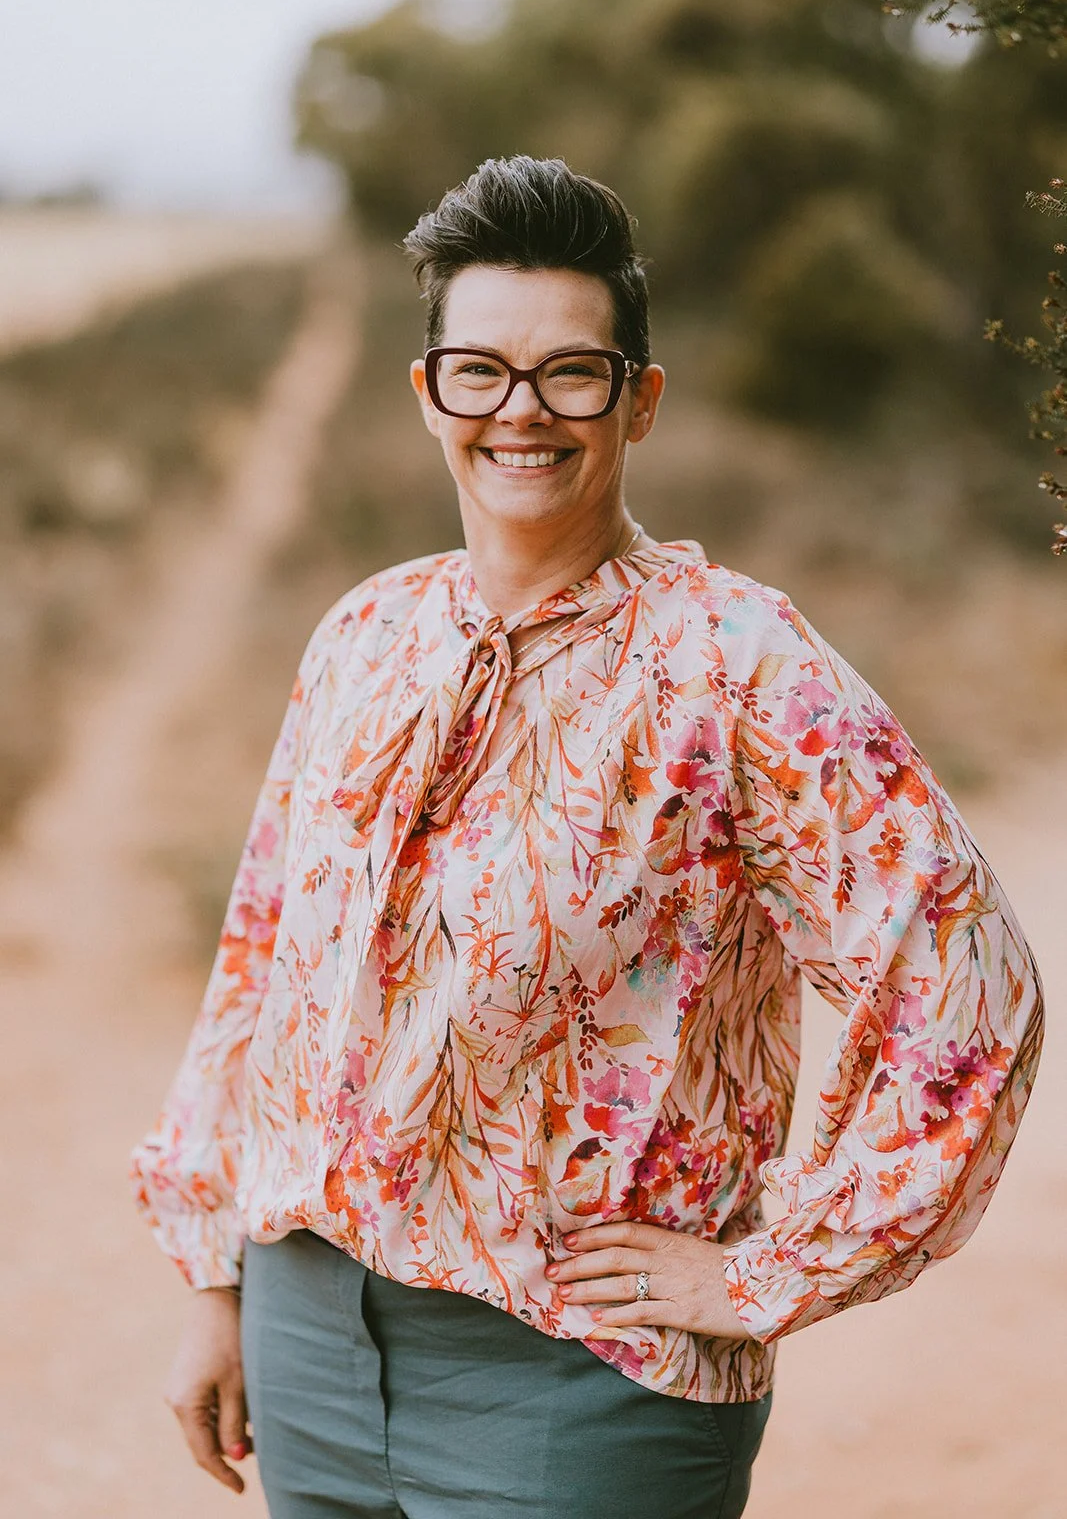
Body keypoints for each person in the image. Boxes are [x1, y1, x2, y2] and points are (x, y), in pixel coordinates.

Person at [130, 155, 1044, 1519]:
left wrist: (762, 1272)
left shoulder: (735, 661)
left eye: (571, 372)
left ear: (639, 400)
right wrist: (218, 1278)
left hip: (580, 1386)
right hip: (306, 1346)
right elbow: (262, 962)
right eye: (482, 370)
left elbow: (967, 986)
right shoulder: (363, 634)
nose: (523, 412)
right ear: (428, 391)